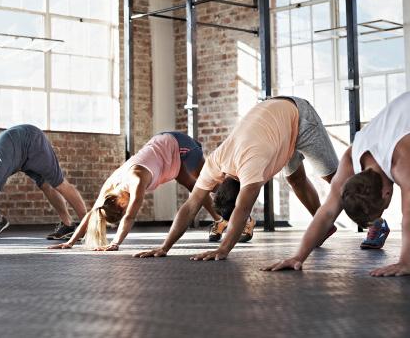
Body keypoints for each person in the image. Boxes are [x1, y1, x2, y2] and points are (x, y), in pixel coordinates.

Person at [134, 96, 338, 261]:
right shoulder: (215, 163)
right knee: (295, 179)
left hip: (299, 115)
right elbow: (191, 205)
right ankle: (325, 225)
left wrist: (223, 250)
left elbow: (243, 209)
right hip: (274, 126)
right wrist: (164, 247)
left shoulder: (252, 165)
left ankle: (371, 223)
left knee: (335, 178)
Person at [262, 92, 410, 277]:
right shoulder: (351, 158)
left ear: (387, 194)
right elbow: (327, 213)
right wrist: (298, 257)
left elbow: (408, 215)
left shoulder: (402, 162)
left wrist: (405, 262)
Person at [49, 131, 224, 251]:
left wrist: (115, 243)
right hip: (165, 158)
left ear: (119, 205)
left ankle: (237, 209)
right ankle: (220, 221)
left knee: (212, 183)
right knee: (197, 188)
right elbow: (92, 214)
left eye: (123, 209)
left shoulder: (136, 180)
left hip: (176, 145)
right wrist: (70, 243)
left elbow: (130, 217)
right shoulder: (111, 185)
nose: (126, 209)